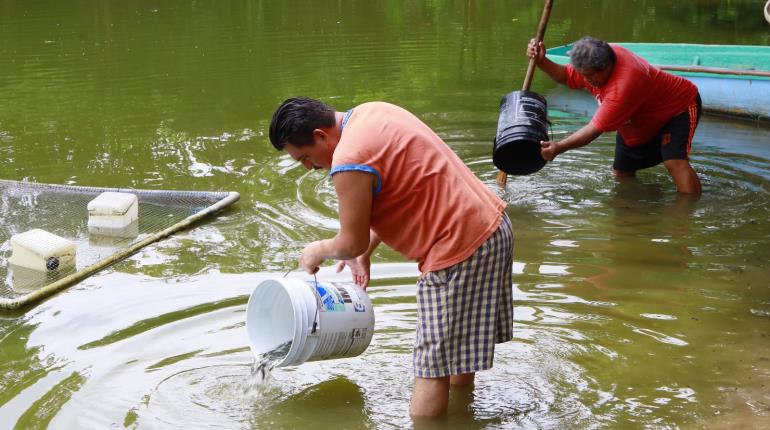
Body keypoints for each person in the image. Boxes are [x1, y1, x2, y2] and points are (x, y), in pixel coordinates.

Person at [269, 97, 514, 417]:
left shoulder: (347, 159)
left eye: (305, 156)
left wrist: (317, 250)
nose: (309, 166)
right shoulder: (373, 113)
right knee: (455, 353)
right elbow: (406, 189)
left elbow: (349, 242)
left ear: (320, 135)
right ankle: (460, 414)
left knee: (431, 366)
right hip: (491, 228)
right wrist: (366, 251)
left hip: (458, 249)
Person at [528, 36, 703, 194]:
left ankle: (686, 213)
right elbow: (566, 76)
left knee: (674, 162)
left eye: (588, 77)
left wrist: (558, 147)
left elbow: (594, 130)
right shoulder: (596, 59)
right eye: (582, 75)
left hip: (677, 108)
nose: (585, 81)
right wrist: (541, 61)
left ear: (605, 67)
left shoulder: (624, 85)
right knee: (622, 172)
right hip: (636, 119)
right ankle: (635, 207)